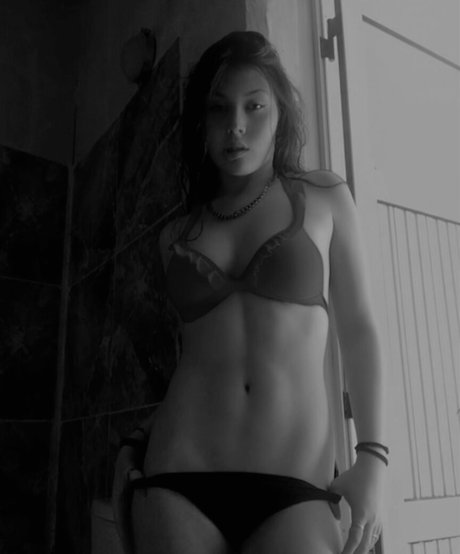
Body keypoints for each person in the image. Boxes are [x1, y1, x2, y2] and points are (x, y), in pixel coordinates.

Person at [112, 30, 387, 554]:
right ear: (202, 120)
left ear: (280, 111)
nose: (235, 126)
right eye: (219, 108)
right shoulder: (176, 236)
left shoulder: (324, 197)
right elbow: (203, 360)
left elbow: (359, 329)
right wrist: (135, 441)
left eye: (254, 106)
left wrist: (373, 454)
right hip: (179, 475)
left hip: (296, 484)